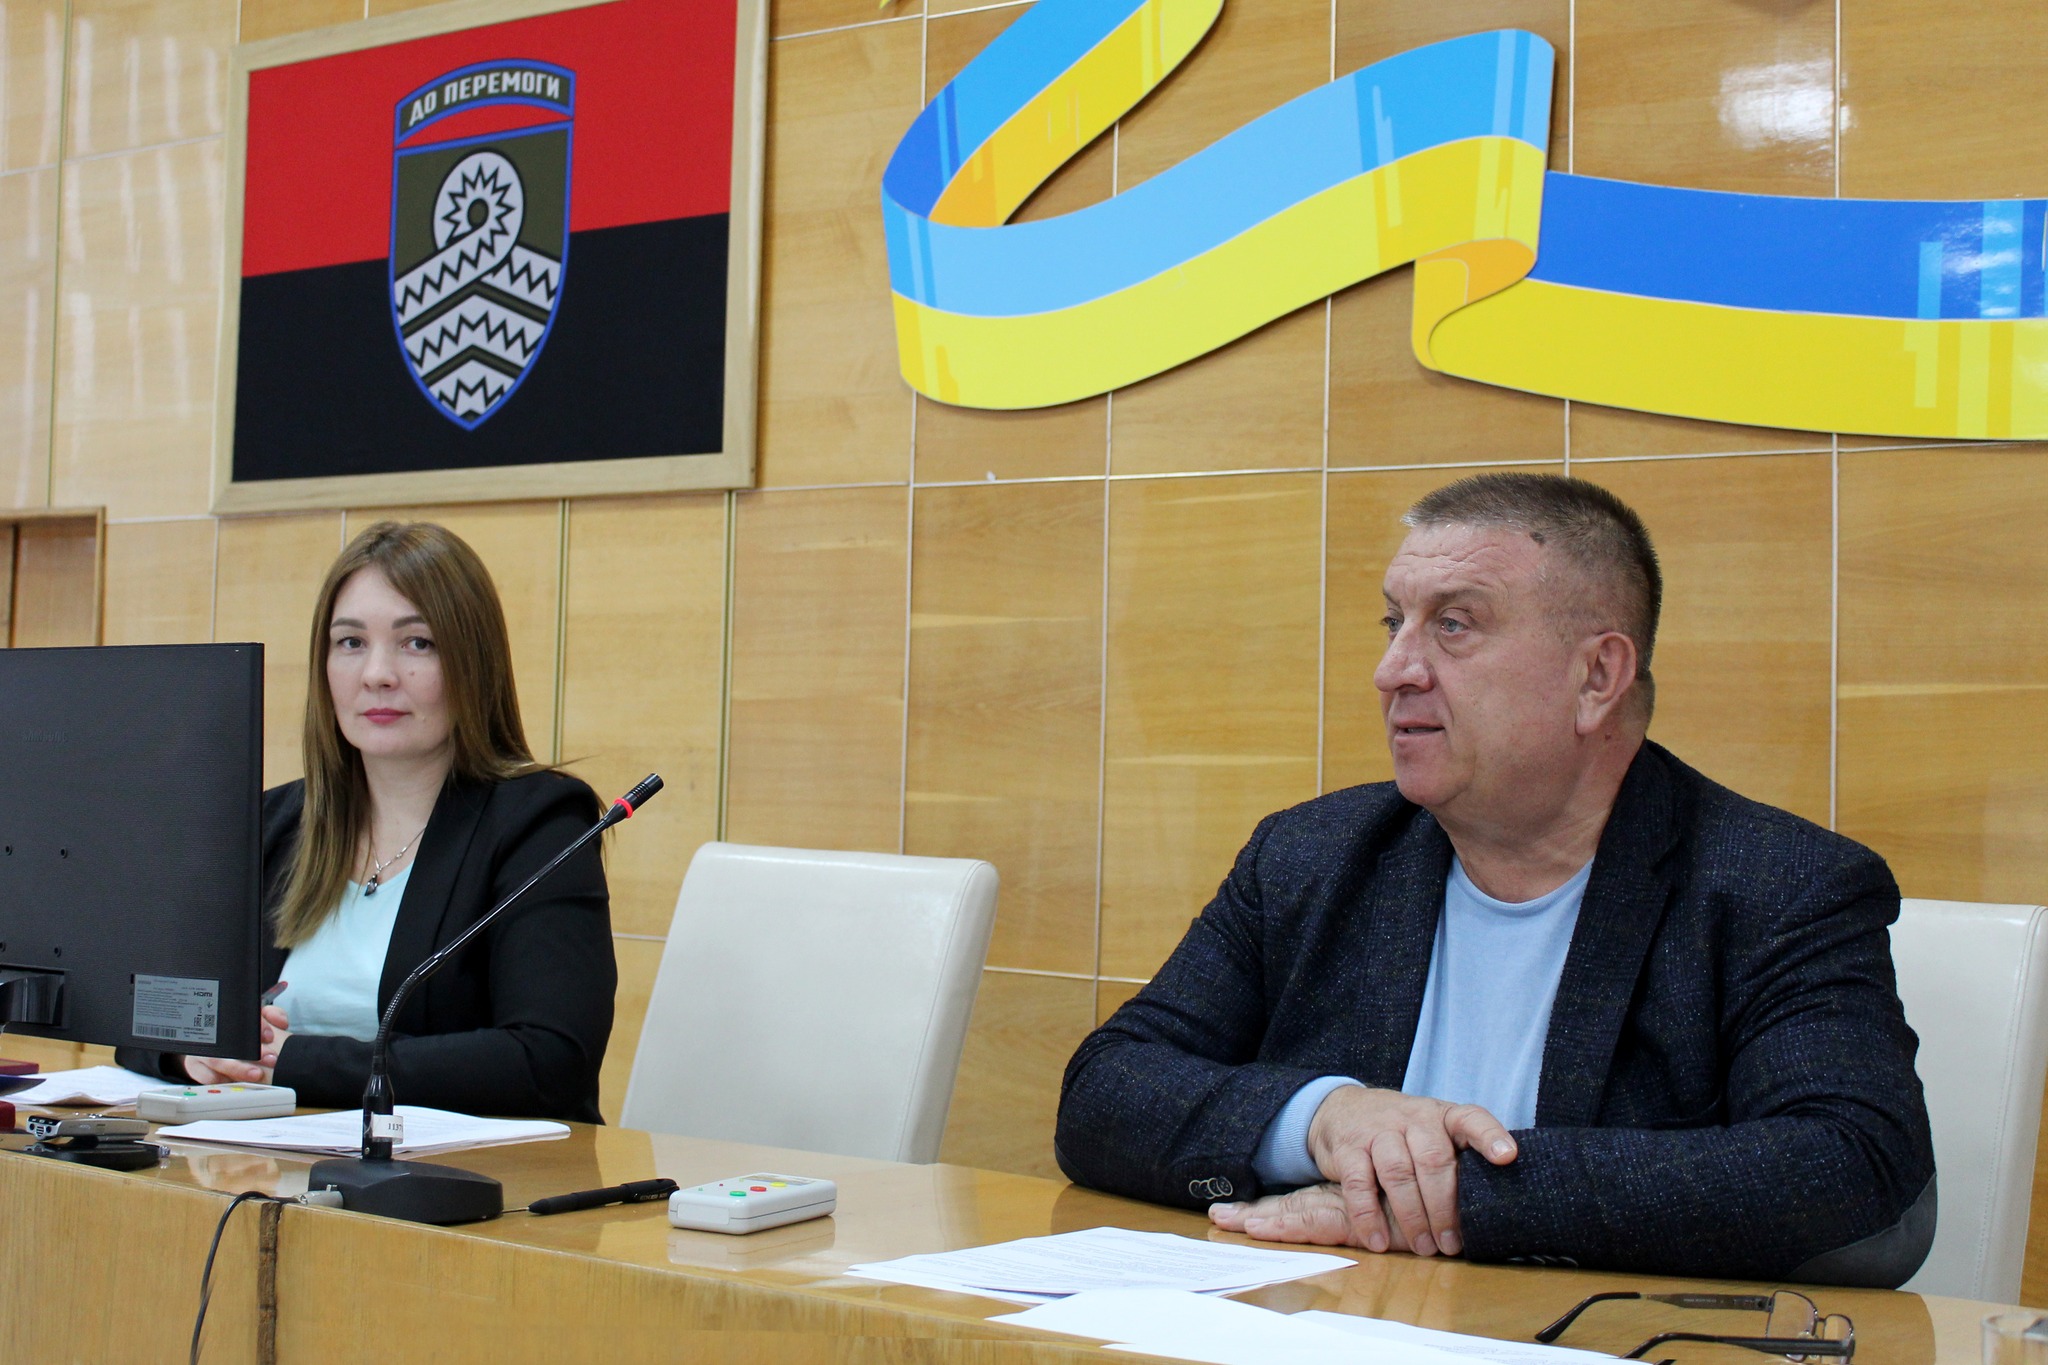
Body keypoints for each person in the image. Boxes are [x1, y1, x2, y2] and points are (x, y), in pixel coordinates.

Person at [1054, 473, 1935, 1286]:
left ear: (1597, 675)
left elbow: (1849, 1157)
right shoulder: (1310, 855)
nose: (1393, 670)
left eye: (1454, 624)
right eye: (1394, 622)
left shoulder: (1778, 887)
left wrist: (1450, 1194)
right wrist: (1324, 1117)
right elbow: (1104, 1091)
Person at [120, 522, 615, 1122]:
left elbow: (549, 1062)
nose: (377, 673)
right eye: (351, 642)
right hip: (263, 1157)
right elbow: (142, 1011)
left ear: (473, 664)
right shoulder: (272, 825)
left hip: (460, 1173)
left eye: (417, 643)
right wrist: (192, 1053)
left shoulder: (540, 824)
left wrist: (295, 1061)